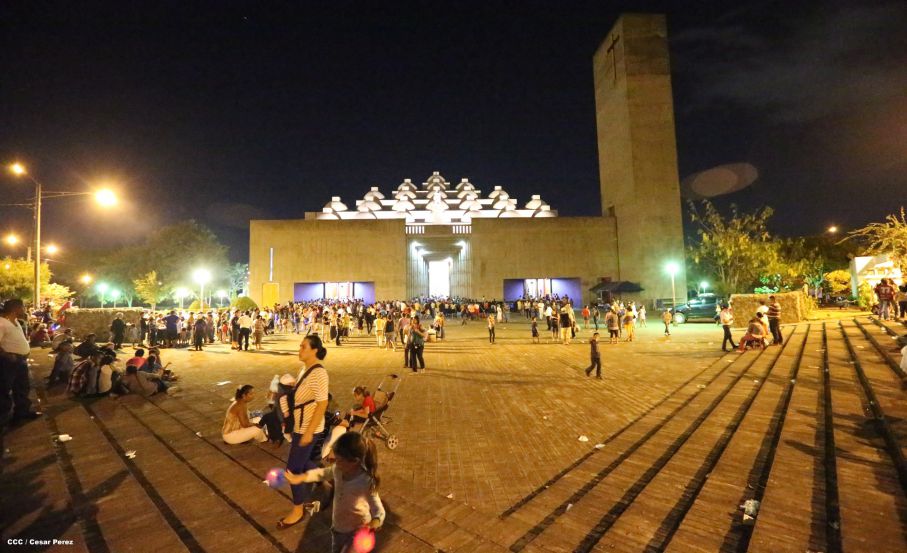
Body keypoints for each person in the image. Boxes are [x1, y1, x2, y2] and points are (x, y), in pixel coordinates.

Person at [285, 432, 385, 553]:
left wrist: (372, 525)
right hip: (338, 528)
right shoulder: (338, 470)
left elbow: (379, 511)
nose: (336, 463)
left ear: (355, 462)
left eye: (340, 460)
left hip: (358, 531)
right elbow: (321, 473)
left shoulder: (365, 481)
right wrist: (300, 477)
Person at [277, 334, 330, 529]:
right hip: (301, 426)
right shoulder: (304, 369)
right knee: (305, 461)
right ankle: (327, 481)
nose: (299, 350)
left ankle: (298, 510)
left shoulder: (319, 373)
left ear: (315, 350)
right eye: (300, 346)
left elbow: (322, 403)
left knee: (292, 469)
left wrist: (308, 432)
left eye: (303, 347)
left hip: (308, 428)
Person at [0, 299, 41, 427]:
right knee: (4, 389)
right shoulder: (1, 323)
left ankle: (22, 412)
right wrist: (7, 355)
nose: (24, 310)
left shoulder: (15, 321)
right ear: (15, 308)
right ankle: (3, 418)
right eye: (22, 307)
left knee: (22, 387)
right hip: (9, 362)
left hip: (20, 361)